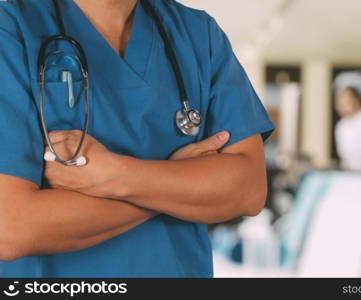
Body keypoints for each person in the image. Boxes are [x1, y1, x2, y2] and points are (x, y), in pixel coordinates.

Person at [0, 0, 275, 277]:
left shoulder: (198, 34)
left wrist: (113, 174)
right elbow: (12, 226)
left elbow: (248, 190)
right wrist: (175, 184)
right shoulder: (11, 26)